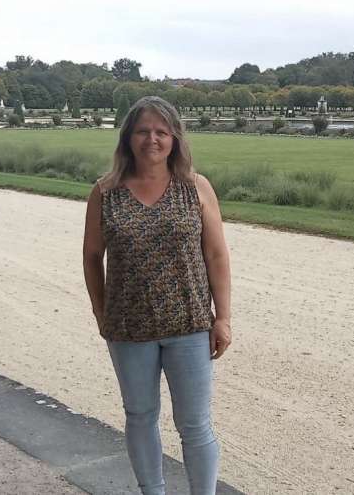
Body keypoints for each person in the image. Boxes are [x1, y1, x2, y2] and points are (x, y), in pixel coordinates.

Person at [83, 95, 231, 495]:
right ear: (128, 138)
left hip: (190, 324)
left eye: (161, 131)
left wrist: (222, 317)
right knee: (140, 415)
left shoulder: (195, 188)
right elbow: (92, 256)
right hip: (128, 328)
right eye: (143, 131)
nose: (152, 139)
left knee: (195, 424)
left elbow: (216, 255)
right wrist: (100, 311)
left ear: (175, 138)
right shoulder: (105, 191)